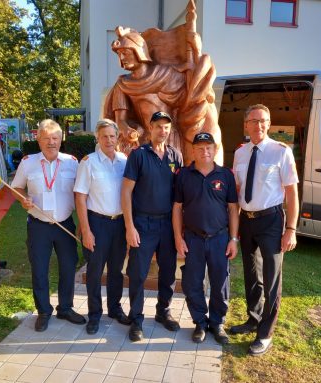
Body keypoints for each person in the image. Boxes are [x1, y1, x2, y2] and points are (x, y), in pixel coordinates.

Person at [231, 104, 299, 356]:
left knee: (271, 278)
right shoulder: (240, 154)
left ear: (269, 124)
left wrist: (290, 228)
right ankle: (253, 318)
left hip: (271, 220)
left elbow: (291, 193)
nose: (258, 125)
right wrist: (234, 231)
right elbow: (237, 193)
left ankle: (265, 332)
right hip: (247, 221)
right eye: (253, 120)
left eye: (263, 121)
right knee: (251, 274)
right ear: (246, 125)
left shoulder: (281, 152)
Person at [103, 26, 222, 165]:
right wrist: (128, 130)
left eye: (125, 52)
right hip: (145, 142)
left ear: (139, 51)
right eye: (119, 54)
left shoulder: (166, 74)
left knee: (174, 178)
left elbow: (192, 91)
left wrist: (195, 51)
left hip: (171, 139)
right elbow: (120, 121)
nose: (122, 58)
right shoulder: (122, 85)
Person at [11, 119, 86, 332]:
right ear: (38, 139)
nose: (51, 142)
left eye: (55, 138)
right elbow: (16, 187)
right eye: (46, 138)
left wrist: (82, 223)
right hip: (39, 225)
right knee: (39, 269)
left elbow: (81, 193)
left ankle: (65, 308)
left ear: (61, 140)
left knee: (68, 267)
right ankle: (44, 311)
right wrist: (23, 198)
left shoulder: (73, 162)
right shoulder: (28, 162)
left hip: (65, 224)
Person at [121, 111, 183, 342]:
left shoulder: (175, 156)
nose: (162, 131)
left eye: (166, 127)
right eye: (158, 126)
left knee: (168, 272)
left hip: (167, 223)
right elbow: (126, 192)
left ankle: (162, 312)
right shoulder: (138, 155)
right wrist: (129, 226)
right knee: (137, 273)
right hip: (143, 223)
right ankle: (136, 318)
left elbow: (179, 196)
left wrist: (180, 229)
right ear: (150, 128)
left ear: (170, 130)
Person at [173, 132, 239, 344]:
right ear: (193, 150)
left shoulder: (226, 175)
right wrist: (178, 237)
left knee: (220, 282)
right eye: (200, 148)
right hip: (193, 239)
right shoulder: (183, 175)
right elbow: (177, 208)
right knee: (192, 283)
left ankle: (217, 322)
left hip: (220, 238)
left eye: (209, 147)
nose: (205, 151)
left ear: (215, 149)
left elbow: (232, 209)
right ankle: (200, 323)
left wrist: (233, 239)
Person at [74, 119, 130, 335]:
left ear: (117, 138)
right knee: (95, 271)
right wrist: (86, 231)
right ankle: (95, 314)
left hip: (119, 224)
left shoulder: (124, 161)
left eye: (112, 136)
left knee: (116, 270)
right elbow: (80, 198)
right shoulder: (88, 162)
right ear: (97, 138)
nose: (108, 140)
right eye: (104, 136)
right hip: (97, 223)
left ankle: (114, 309)